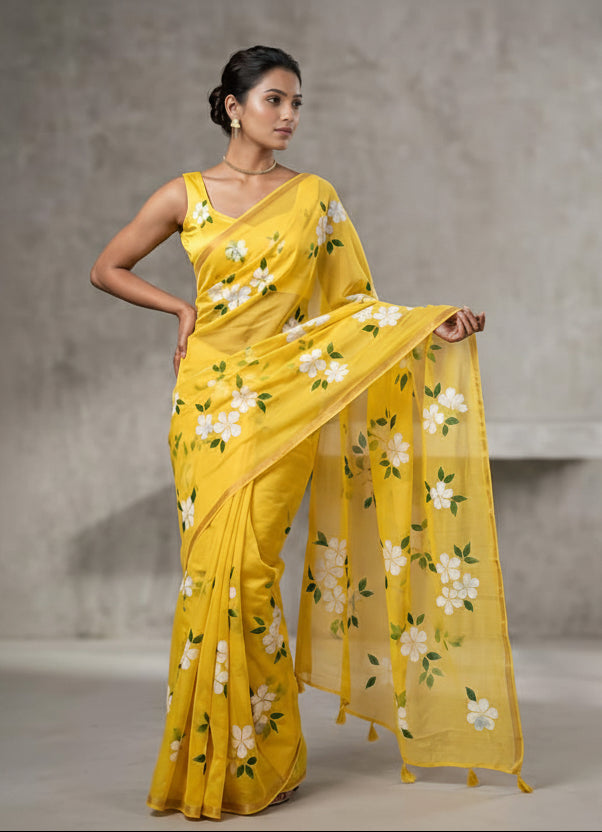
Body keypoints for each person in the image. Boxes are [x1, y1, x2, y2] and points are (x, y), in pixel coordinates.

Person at [91, 45, 530, 821]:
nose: (290, 115)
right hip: (206, 404)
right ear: (233, 106)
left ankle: (266, 758)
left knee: (251, 569)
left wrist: (431, 325)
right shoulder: (185, 194)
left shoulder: (315, 199)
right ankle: (209, 758)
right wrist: (182, 310)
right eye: (274, 101)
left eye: (297, 103)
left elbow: (350, 308)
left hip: (285, 400)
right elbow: (108, 267)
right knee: (208, 576)